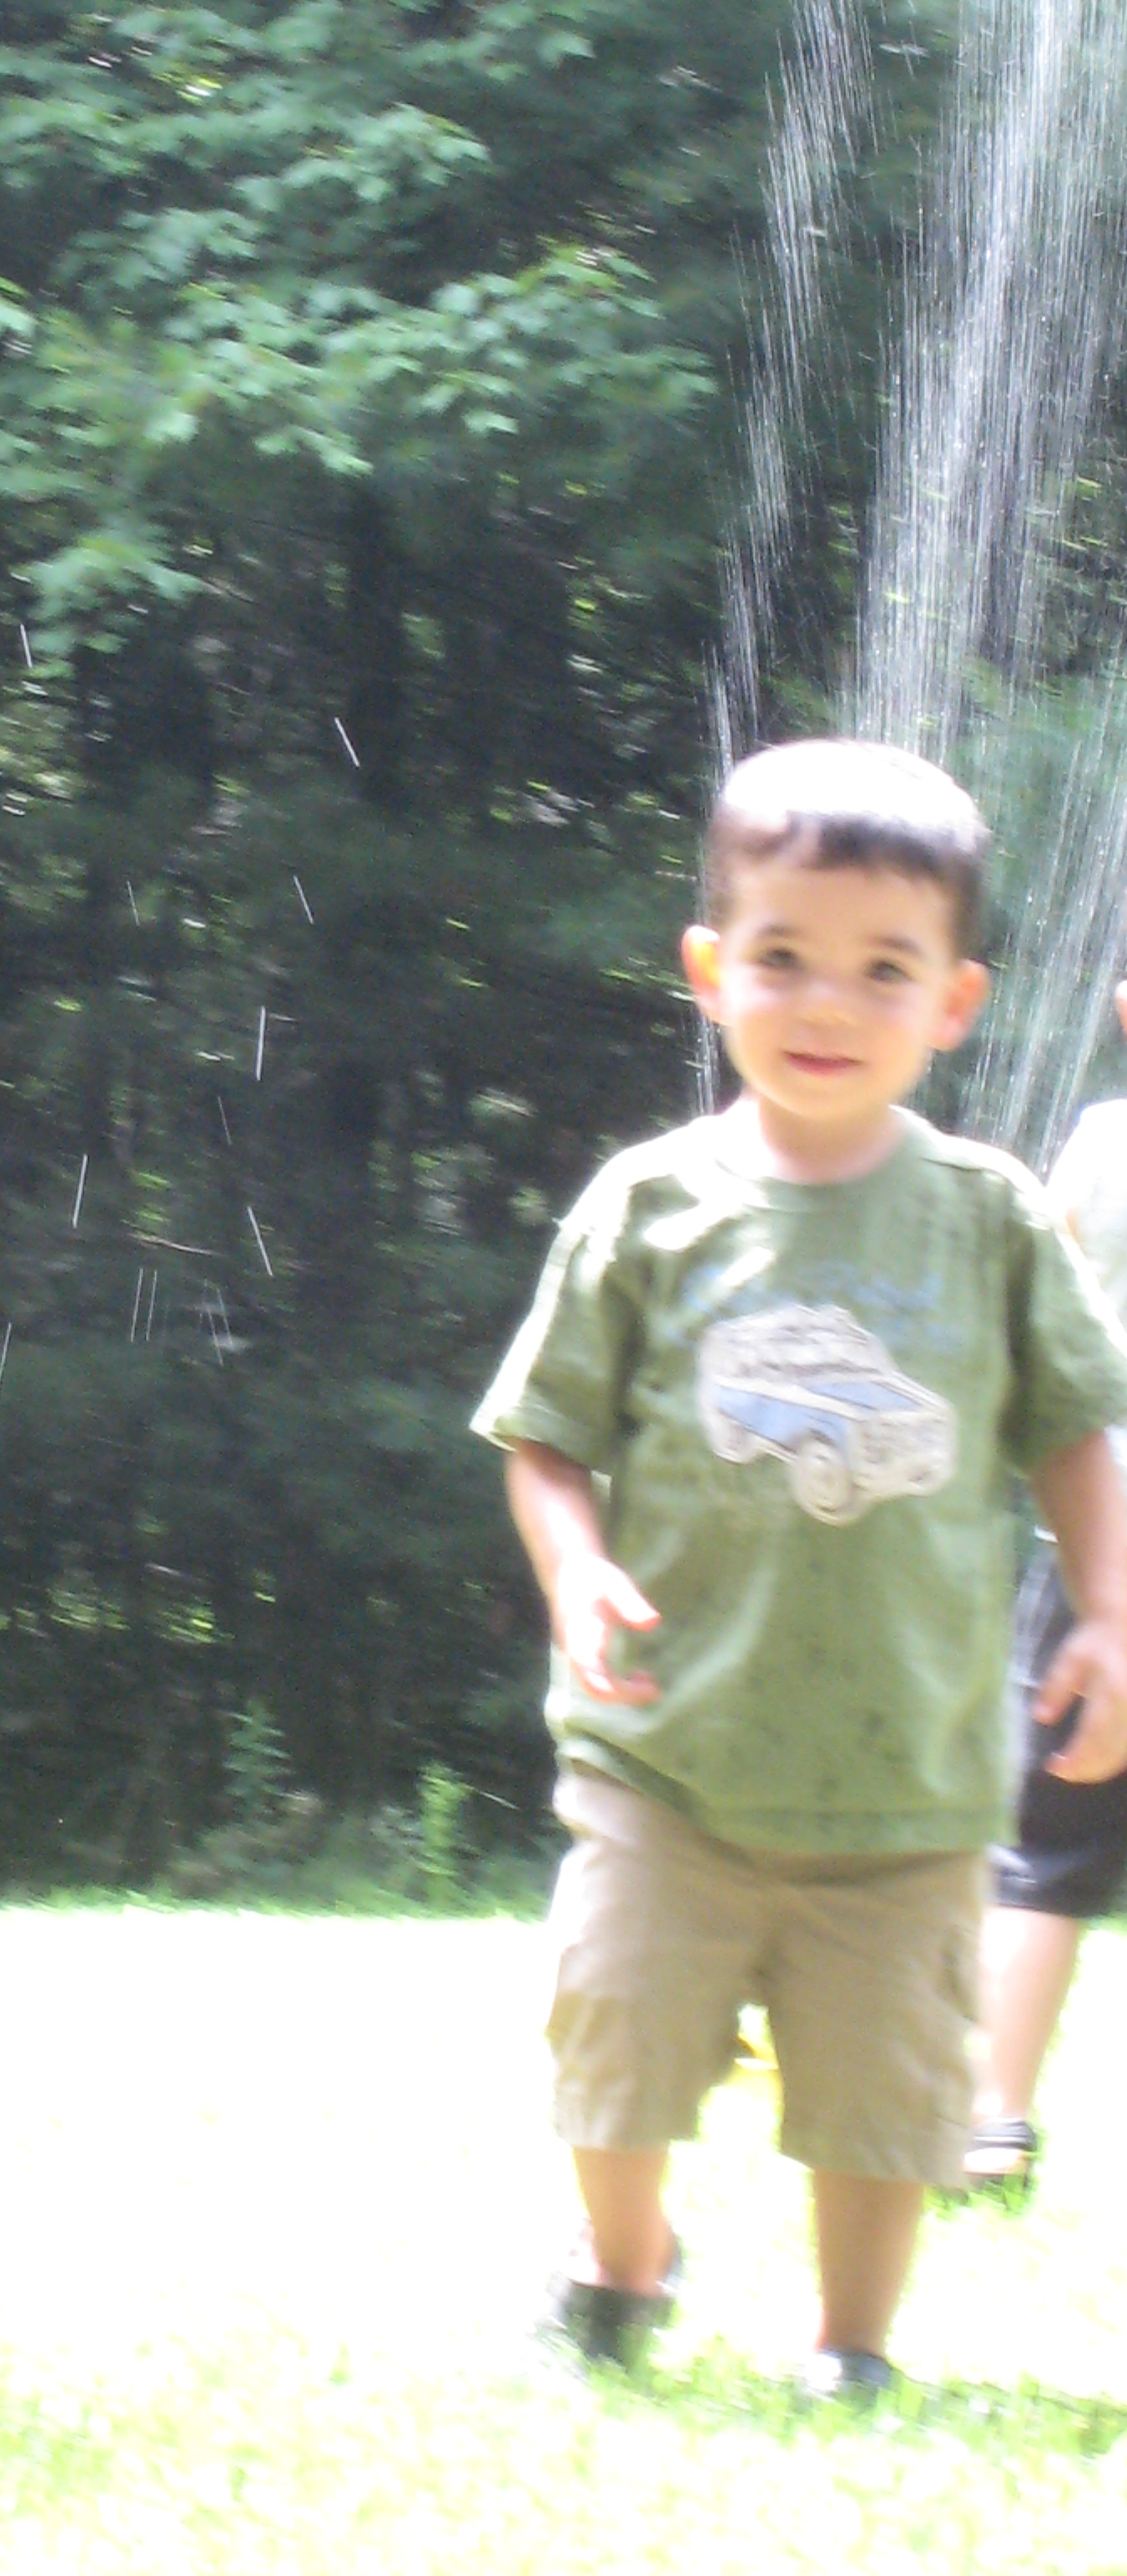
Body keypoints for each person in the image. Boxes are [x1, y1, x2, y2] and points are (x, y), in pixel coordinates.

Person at [474, 738, 1127, 2396]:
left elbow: (1076, 1431)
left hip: (910, 1783)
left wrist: (1111, 1616)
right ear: (711, 971)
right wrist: (576, 1569)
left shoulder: (990, 1219)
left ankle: (854, 2346)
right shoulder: (649, 1209)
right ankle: (622, 2270)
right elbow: (544, 1440)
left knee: (885, 2093)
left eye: (883, 969)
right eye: (782, 958)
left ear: (955, 1004)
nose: (827, 1002)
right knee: (612, 2040)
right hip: (665, 1755)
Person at [967, 984, 1127, 2194]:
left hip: (1104, 1526)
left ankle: (991, 2120)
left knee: (1043, 1843)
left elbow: (1039, 1298)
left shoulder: (1102, 1141)